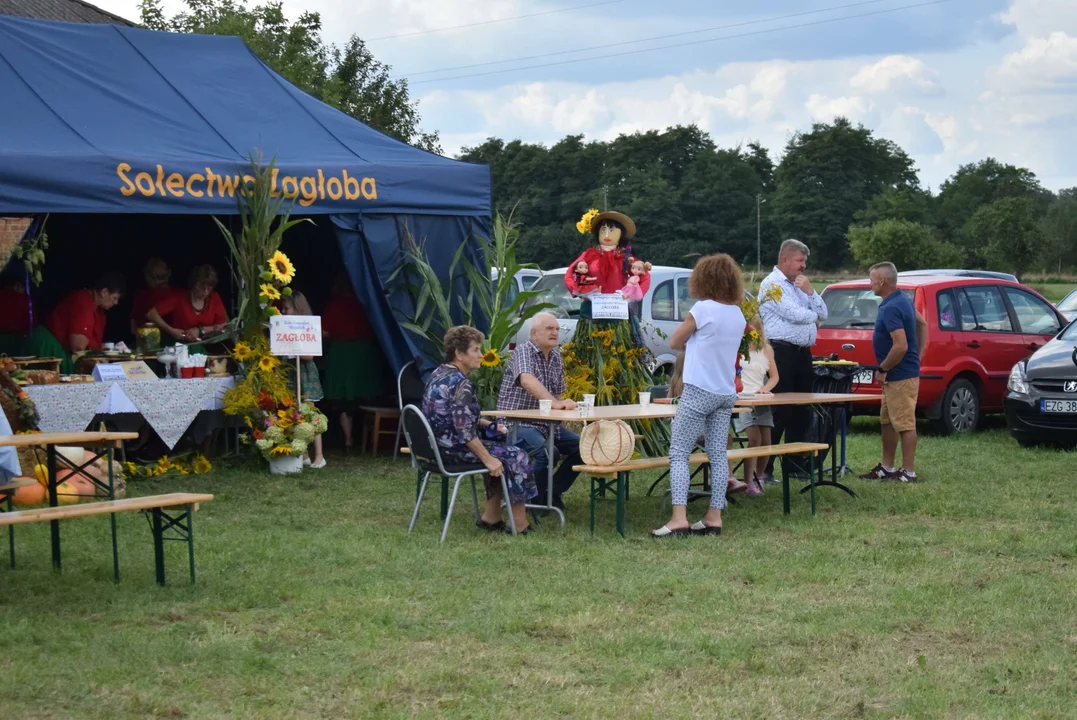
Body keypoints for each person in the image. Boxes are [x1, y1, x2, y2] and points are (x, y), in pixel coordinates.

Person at [652, 253, 745, 538]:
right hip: (725, 392)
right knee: (718, 455)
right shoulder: (738, 314)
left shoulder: (703, 309)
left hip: (698, 390)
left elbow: (675, 341)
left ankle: (679, 518)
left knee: (679, 453)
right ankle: (713, 517)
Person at [423, 325, 536, 534]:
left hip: (434, 449)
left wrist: (485, 424)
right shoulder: (460, 384)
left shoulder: (438, 375)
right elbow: (465, 433)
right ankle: (519, 524)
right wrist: (487, 459)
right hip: (454, 452)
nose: (481, 355)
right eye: (476, 350)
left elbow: (450, 416)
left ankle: (491, 517)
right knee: (517, 455)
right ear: (459, 354)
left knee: (501, 450)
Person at [758, 239, 828, 480]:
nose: (803, 266)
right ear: (785, 260)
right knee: (780, 410)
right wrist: (813, 317)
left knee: (802, 409)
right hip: (781, 353)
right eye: (800, 261)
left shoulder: (801, 285)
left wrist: (811, 292)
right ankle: (764, 468)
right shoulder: (772, 284)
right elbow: (794, 314)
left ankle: (794, 465)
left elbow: (824, 313)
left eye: (805, 261)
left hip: (802, 353)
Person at [496, 312, 580, 511]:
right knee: (548, 452)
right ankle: (531, 501)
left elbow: (559, 396)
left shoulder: (556, 357)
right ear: (534, 333)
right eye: (549, 329)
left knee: (584, 447)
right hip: (515, 423)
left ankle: (550, 493)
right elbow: (527, 380)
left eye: (557, 329)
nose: (555, 333)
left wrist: (565, 408)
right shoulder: (523, 351)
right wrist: (555, 404)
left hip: (546, 424)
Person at [859, 262, 928, 483]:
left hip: (899, 375)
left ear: (882, 281)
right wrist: (919, 355)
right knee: (888, 421)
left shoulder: (891, 308)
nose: (870, 284)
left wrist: (883, 368)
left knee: (905, 423)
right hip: (898, 375)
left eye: (871, 280)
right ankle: (887, 467)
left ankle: (908, 472)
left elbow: (900, 346)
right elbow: (922, 324)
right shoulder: (902, 300)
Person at [656, 351, 748, 495]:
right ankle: (726, 479)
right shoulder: (687, 384)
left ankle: (724, 479)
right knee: (723, 439)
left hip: (693, 427)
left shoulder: (688, 382)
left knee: (724, 438)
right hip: (687, 428)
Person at [321, 271, 386, 452]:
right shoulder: (365, 305)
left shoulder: (334, 305)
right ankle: (367, 439)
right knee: (364, 397)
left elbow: (325, 332)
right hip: (365, 353)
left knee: (343, 399)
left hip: (342, 354)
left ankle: (348, 439)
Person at [24, 272, 125, 373]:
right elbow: (78, 346)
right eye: (114, 298)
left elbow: (93, 344)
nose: (116, 303)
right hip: (49, 349)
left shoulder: (99, 311)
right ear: (104, 292)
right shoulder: (83, 301)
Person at [734, 314, 780, 496]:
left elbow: (774, 376)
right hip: (742, 398)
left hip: (760, 399)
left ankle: (759, 476)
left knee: (766, 441)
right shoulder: (737, 349)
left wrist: (765, 388)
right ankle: (747, 481)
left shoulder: (766, 350)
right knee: (754, 439)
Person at [281, 291, 326, 469]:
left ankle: (319, 455)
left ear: (297, 309)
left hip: (305, 373)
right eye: (282, 308)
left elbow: (310, 355)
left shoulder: (308, 327)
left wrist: (292, 347)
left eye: (286, 308)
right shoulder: (283, 328)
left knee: (311, 413)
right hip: (292, 371)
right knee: (294, 412)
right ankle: (305, 454)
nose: (283, 311)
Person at [146, 264, 228, 353]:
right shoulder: (179, 298)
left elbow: (225, 325)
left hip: (209, 347)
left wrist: (201, 330)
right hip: (182, 348)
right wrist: (171, 330)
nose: (205, 292)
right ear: (193, 283)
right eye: (201, 287)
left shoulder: (214, 298)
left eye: (209, 288)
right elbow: (151, 314)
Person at [129, 258, 176, 335]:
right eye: (153, 277)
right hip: (146, 338)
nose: (158, 281)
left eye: (162, 276)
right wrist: (140, 336)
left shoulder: (176, 294)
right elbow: (133, 323)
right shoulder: (141, 295)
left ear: (169, 273)